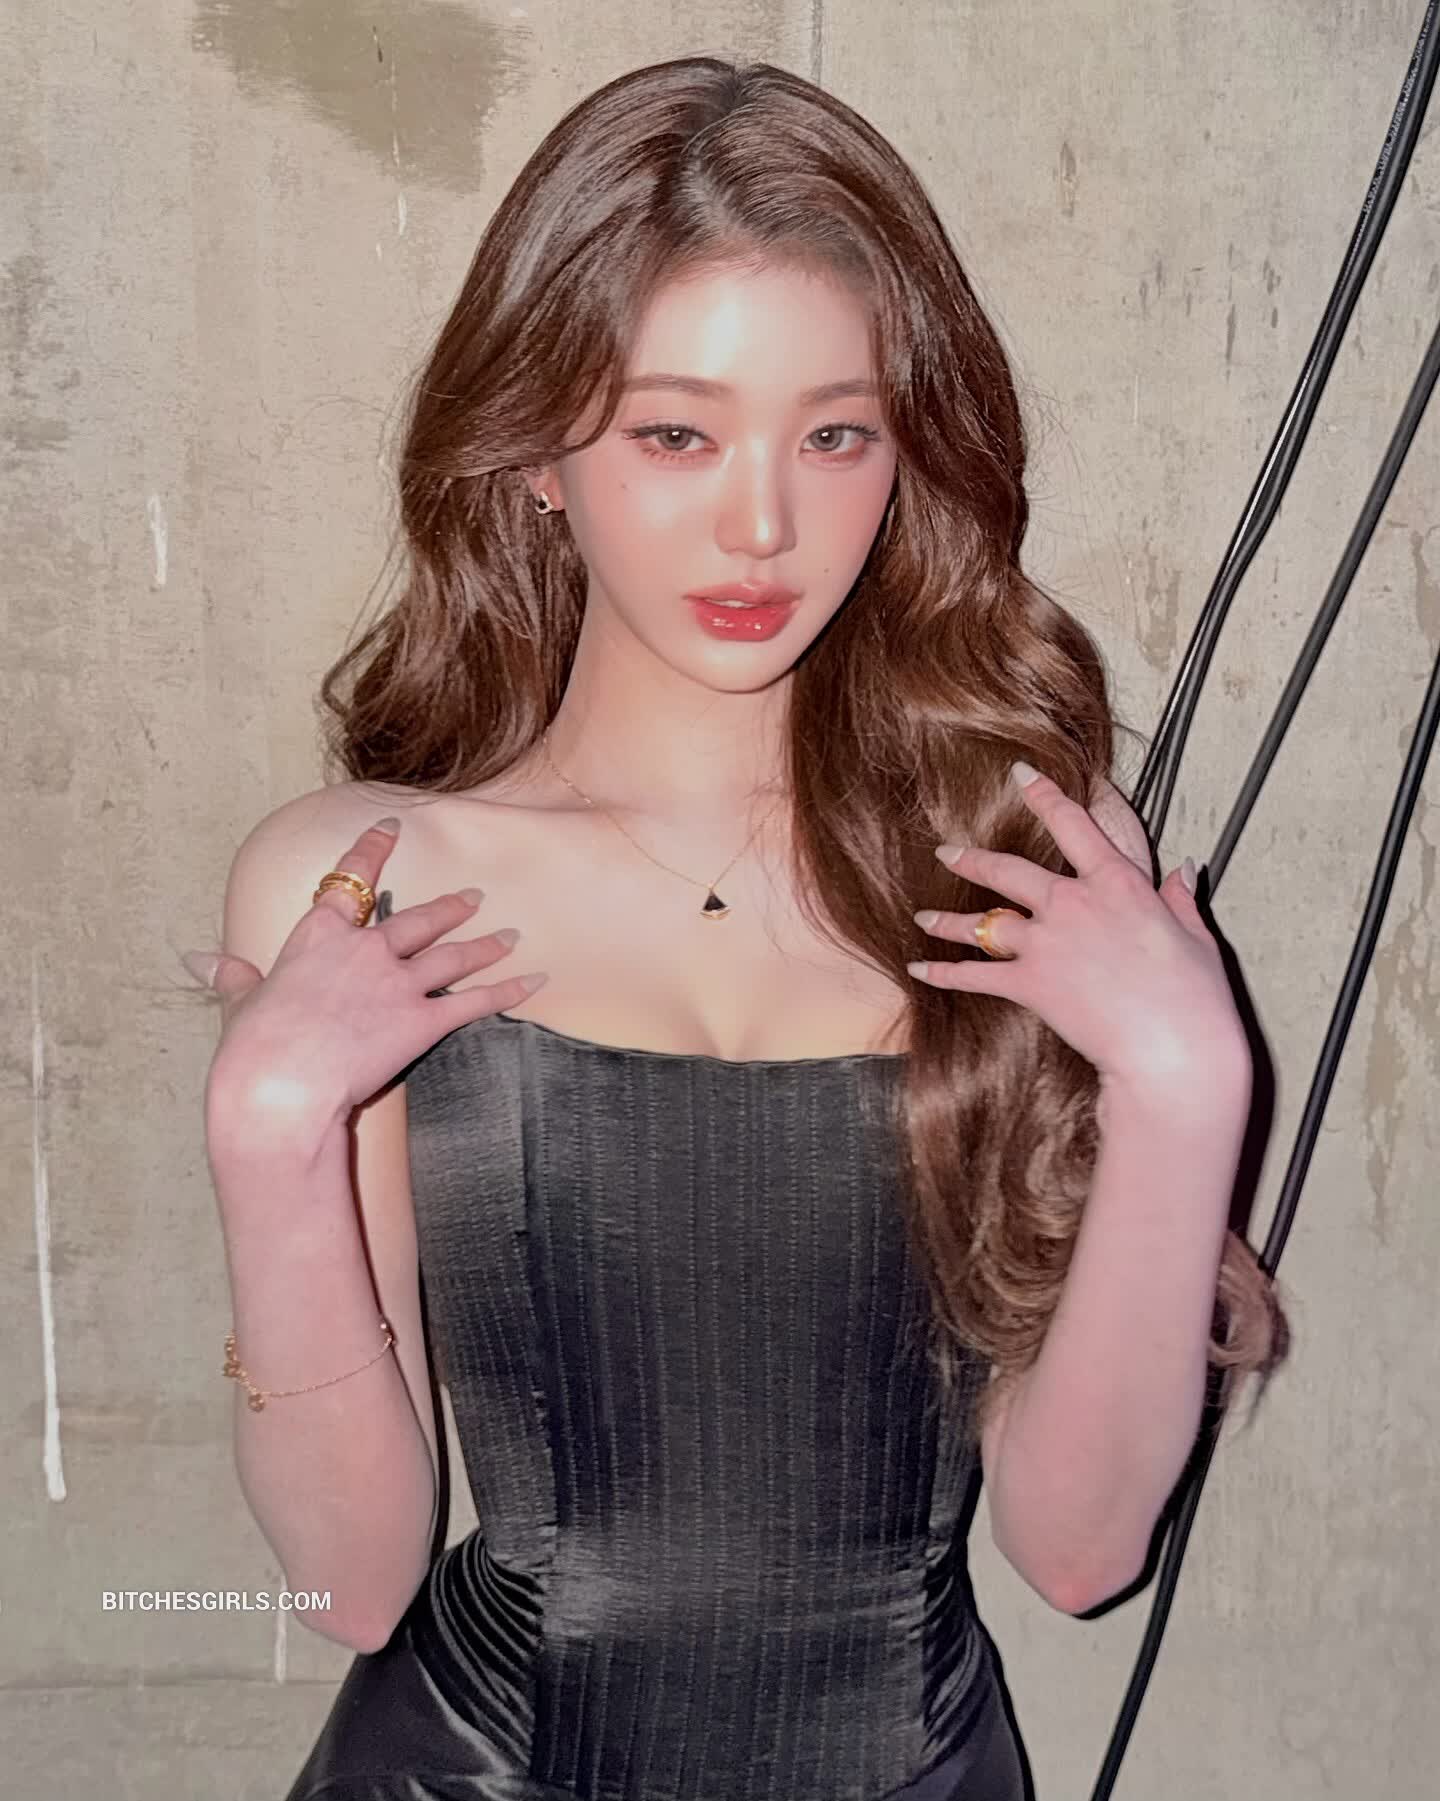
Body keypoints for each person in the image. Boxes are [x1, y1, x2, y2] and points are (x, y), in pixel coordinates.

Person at [185, 55, 1288, 1801]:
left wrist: (1186, 1086)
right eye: (675, 433)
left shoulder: (1022, 866)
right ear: (538, 455)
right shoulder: (363, 881)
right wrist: (265, 1136)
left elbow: (1079, 1553)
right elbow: (353, 1583)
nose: (764, 523)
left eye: (835, 434)